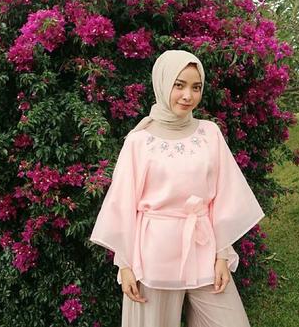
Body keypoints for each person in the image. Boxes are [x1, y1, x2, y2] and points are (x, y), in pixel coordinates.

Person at [89, 50, 265, 327]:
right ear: (162, 84)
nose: (188, 96)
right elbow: (122, 204)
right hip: (152, 256)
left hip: (203, 246)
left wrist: (222, 253)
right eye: (179, 85)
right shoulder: (139, 141)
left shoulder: (209, 133)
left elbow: (225, 196)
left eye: (196, 87)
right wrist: (124, 264)